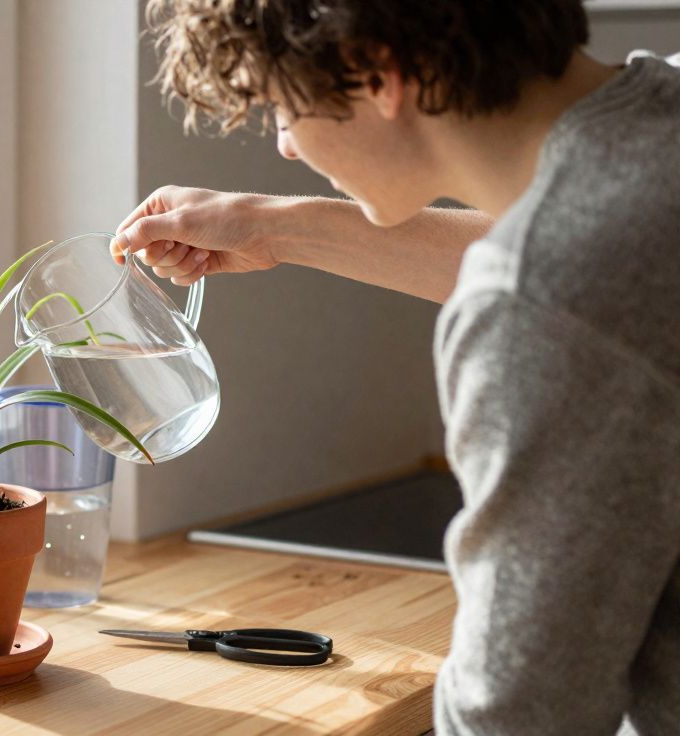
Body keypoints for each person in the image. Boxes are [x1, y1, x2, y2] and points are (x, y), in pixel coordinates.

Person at [114, 1, 680, 734]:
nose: (286, 146)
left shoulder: (544, 299)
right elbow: (601, 259)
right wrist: (276, 226)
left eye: (282, 106)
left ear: (375, 72)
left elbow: (519, 718)